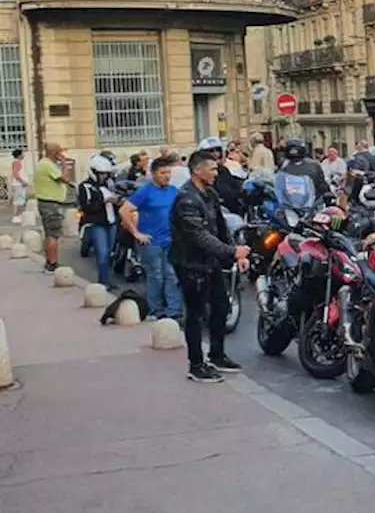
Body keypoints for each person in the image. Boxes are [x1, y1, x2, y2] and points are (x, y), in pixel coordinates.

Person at [170, 150, 248, 383]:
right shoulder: (186, 199)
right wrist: (231, 252)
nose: (216, 173)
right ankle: (196, 364)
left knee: (221, 307)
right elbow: (199, 236)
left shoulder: (209, 193)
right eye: (212, 169)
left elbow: (221, 228)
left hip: (210, 262)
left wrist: (236, 254)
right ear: (197, 170)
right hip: (191, 264)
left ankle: (216, 355)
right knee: (195, 315)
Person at [120, 155, 183, 321]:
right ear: (154, 174)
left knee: (172, 274)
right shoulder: (145, 192)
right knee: (156, 275)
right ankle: (156, 310)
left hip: (170, 241)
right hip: (150, 242)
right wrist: (136, 233)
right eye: (163, 173)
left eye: (169, 173)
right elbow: (124, 211)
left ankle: (174, 309)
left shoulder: (174, 191)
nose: (167, 176)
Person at [77, 154, 120, 288]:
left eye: (106, 174)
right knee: (102, 252)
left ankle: (107, 279)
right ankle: (103, 281)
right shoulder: (85, 186)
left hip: (111, 221)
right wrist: (104, 200)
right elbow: (87, 206)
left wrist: (117, 200)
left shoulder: (108, 184)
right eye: (101, 174)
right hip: (97, 223)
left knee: (109, 253)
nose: (104, 177)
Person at [34, 143, 71, 272]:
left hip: (45, 203)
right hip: (50, 204)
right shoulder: (48, 165)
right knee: (53, 234)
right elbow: (65, 178)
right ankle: (53, 263)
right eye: (60, 152)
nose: (62, 154)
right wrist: (64, 164)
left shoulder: (43, 163)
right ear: (55, 153)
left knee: (49, 233)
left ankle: (49, 261)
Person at [274, 138, 327, 212]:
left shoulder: (313, 166)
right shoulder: (284, 168)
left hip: (310, 206)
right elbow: (278, 187)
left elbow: (322, 187)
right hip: (291, 208)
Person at [9, 149, 26, 223]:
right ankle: (16, 216)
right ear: (19, 155)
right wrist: (23, 182)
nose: (23, 155)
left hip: (19, 184)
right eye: (22, 154)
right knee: (18, 200)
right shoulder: (16, 163)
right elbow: (16, 174)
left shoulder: (18, 162)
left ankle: (19, 215)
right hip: (19, 184)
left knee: (20, 200)